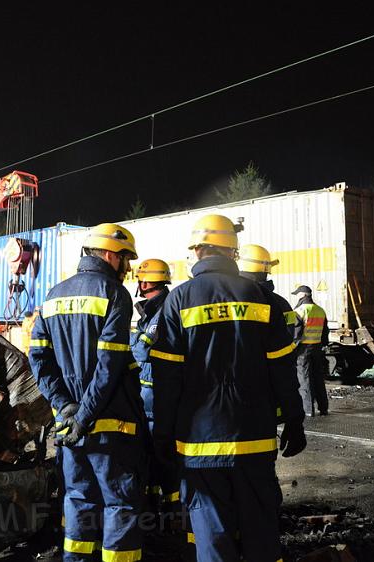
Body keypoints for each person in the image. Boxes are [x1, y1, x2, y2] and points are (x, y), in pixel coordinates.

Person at [150, 215, 305, 562]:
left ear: (200, 249)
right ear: (232, 252)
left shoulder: (178, 300)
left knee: (212, 534)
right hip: (255, 439)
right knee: (261, 532)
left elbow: (167, 379)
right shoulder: (261, 298)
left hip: (198, 445)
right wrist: (294, 418)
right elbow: (283, 367)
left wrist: (162, 435)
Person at [28, 222, 144, 562]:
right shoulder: (114, 294)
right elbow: (109, 366)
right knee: (119, 503)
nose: (127, 267)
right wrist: (84, 414)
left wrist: (65, 408)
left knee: (78, 500)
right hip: (109, 427)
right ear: (110, 254)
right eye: (125, 258)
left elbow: (38, 358)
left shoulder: (53, 294)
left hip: (69, 428)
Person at [129, 259, 180, 521]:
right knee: (152, 452)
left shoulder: (161, 313)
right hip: (152, 397)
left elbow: (140, 351)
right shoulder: (154, 311)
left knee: (162, 452)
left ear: (145, 283)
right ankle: (155, 503)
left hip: (157, 397)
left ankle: (172, 510)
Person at [238, 244, 302, 425]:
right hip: (271, 393)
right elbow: (288, 348)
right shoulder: (280, 303)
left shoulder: (231, 298)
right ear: (267, 270)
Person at [292, 285, 329, 416]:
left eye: (297, 294)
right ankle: (323, 408)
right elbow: (325, 332)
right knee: (318, 377)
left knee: (304, 378)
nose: (296, 297)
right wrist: (323, 345)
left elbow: (296, 333)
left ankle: (308, 410)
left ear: (302, 295)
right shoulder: (320, 310)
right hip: (317, 347)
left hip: (303, 349)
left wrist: (293, 349)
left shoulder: (299, 311)